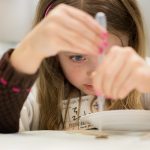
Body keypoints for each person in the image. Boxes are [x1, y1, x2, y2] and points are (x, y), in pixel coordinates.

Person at [0, 0, 150, 133]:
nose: (95, 73)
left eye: (109, 55)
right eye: (77, 57)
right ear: (54, 54)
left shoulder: (141, 76)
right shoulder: (33, 90)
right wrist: (29, 51)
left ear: (132, 44)